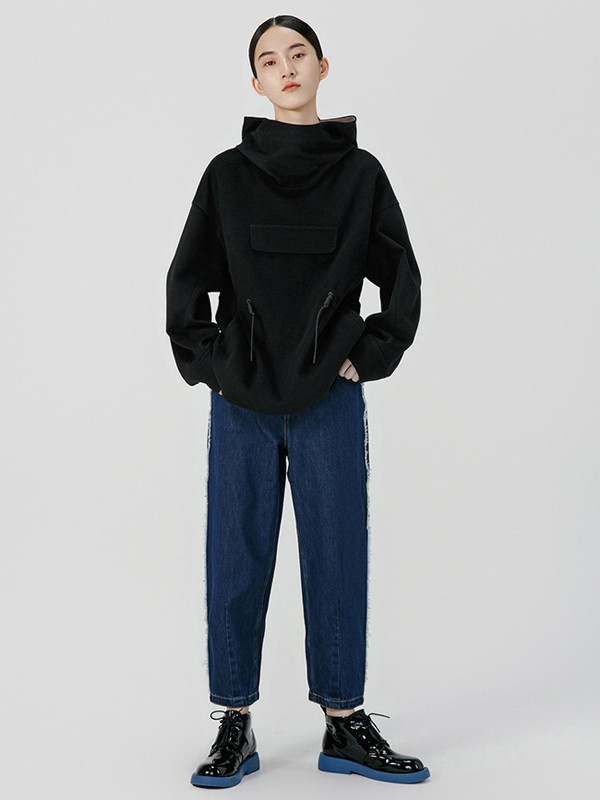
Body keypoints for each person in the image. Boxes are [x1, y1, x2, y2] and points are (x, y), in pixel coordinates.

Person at [165, 14, 430, 788]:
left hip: (328, 399)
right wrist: (213, 365)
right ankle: (235, 722)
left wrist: (367, 354)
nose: (286, 68)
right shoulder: (226, 175)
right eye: (269, 60)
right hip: (243, 400)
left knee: (337, 553)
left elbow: (402, 279)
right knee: (235, 557)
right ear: (255, 82)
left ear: (322, 67)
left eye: (298, 54)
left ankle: (344, 723)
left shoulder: (361, 175)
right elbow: (186, 282)